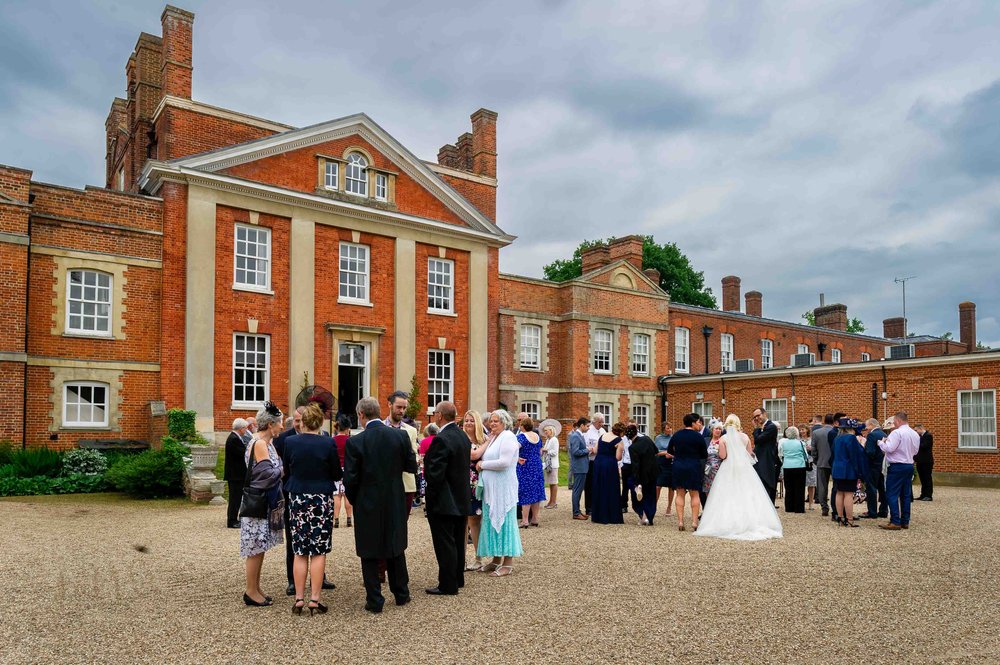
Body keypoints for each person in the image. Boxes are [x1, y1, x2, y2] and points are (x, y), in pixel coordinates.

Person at [343, 397, 418, 613]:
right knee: (395, 545)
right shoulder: (401, 435)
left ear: (360, 415)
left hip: (367, 500)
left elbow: (350, 479)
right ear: (378, 412)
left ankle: (375, 600)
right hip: (394, 497)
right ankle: (401, 593)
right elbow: (411, 466)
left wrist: (356, 499)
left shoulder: (355, 442)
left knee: (369, 550)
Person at [283, 402, 342, 616]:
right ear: (320, 422)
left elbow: (287, 470)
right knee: (318, 551)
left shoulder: (290, 442)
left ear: (304, 422)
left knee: (299, 550)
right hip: (320, 498)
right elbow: (336, 473)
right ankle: (315, 599)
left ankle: (299, 598)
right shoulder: (328, 443)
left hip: (298, 497)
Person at [694, 414, 783, 541]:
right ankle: (751, 521)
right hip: (744, 468)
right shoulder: (745, 437)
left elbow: (723, 456)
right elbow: (750, 453)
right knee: (747, 493)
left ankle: (726, 521)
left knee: (727, 494)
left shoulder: (724, 438)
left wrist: (721, 449)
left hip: (728, 467)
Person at [421, 401, 471, 596]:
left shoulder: (441, 439)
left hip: (444, 499)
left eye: (435, 413)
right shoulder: (462, 436)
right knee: (458, 539)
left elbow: (434, 474)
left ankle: (447, 584)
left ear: (440, 415)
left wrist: (430, 498)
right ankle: (458, 578)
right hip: (461, 496)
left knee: (445, 542)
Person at [239, 403, 284, 606]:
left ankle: (256, 587)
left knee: (260, 546)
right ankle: (250, 591)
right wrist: (283, 469)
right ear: (270, 424)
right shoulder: (259, 444)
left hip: (263, 502)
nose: (282, 427)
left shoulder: (267, 443)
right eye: (279, 423)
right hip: (258, 502)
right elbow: (267, 475)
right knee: (256, 547)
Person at [476, 410, 523, 577]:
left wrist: (483, 464)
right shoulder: (493, 438)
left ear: (504, 422)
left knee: (505, 521)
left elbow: (504, 463)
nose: (492, 423)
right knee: (491, 520)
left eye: (496, 421)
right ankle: (496, 559)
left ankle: (508, 563)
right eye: (491, 421)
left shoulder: (508, 437)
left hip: (503, 488)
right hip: (491, 489)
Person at [878, 412, 921, 531]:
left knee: (891, 493)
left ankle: (895, 521)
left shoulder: (896, 433)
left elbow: (889, 448)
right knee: (905, 494)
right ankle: (905, 521)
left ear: (897, 421)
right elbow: (916, 451)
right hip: (909, 465)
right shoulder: (914, 433)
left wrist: (881, 443)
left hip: (897, 466)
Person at [669, 413, 708, 531]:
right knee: (694, 494)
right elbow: (704, 454)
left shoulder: (676, 435)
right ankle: (694, 522)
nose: (700, 424)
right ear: (692, 423)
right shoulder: (698, 437)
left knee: (680, 493)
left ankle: (680, 521)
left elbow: (670, 450)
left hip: (678, 465)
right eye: (698, 422)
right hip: (693, 466)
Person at [383, 391, 420, 513]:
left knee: (403, 524)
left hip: (406, 484)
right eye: (399, 407)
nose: (402, 411)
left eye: (404, 408)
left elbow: (414, 456)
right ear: (389, 405)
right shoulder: (380, 428)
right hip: (385, 485)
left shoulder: (411, 430)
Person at [463, 410, 489, 570]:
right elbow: (473, 455)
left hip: (480, 483)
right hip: (464, 482)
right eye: (466, 420)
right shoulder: (462, 438)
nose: (468, 423)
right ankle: (462, 559)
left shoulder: (484, 438)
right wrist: (487, 442)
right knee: (463, 522)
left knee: (476, 521)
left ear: (477, 422)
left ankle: (478, 558)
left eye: (472, 420)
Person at [831, 418, 868, 527]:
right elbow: (856, 454)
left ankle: (840, 518)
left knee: (839, 493)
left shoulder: (837, 439)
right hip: (848, 470)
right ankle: (849, 519)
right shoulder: (851, 438)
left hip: (837, 468)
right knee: (848, 494)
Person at [590, 422, 625, 524]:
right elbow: (618, 457)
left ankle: (597, 515)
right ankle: (610, 515)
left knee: (599, 487)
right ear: (621, 432)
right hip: (609, 464)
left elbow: (595, 450)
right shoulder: (619, 440)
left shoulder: (602, 435)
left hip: (598, 462)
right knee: (610, 488)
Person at [515, 418, 546, 528]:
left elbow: (513, 449)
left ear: (523, 426)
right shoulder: (537, 437)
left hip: (525, 466)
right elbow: (540, 451)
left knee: (525, 492)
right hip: (536, 465)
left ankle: (525, 520)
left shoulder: (521, 437)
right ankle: (535, 518)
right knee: (536, 492)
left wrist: (518, 458)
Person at [626, 424, 658, 526]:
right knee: (651, 495)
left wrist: (636, 480)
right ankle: (650, 517)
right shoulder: (647, 439)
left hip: (642, 473)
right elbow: (656, 451)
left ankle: (643, 515)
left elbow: (635, 465)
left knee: (635, 490)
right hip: (653, 471)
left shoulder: (632, 447)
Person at [224, 418, 250, 529]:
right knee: (235, 499)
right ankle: (232, 521)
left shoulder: (235, 438)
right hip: (235, 475)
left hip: (237, 474)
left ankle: (234, 519)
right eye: (245, 428)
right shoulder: (234, 439)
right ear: (241, 428)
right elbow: (243, 453)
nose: (246, 430)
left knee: (236, 498)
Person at [751, 407, 780, 504]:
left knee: (767, 485)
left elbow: (758, 440)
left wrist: (756, 428)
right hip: (759, 461)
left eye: (758, 415)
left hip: (767, 461)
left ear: (764, 414)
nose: (756, 418)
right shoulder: (762, 427)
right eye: (754, 417)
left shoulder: (771, 426)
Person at [861, 418, 888, 519]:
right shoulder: (884, 434)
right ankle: (883, 510)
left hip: (873, 466)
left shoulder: (872, 435)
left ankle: (872, 512)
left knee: (871, 488)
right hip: (882, 465)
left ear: (871, 425)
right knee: (882, 489)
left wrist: (864, 446)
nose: (866, 428)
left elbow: (870, 452)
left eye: (866, 426)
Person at [779, 426, 808, 514]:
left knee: (789, 487)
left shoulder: (783, 443)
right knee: (799, 488)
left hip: (787, 466)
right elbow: (805, 455)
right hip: (799, 466)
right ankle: (799, 508)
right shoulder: (800, 443)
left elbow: (781, 454)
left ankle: (789, 507)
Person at [332, 415, 353, 529]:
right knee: (347, 495)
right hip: (348, 469)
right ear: (347, 428)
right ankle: (349, 518)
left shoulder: (332, 440)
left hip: (336, 469)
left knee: (337, 496)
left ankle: (336, 519)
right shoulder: (350, 440)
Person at [567, 417, 591, 520]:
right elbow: (575, 452)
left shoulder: (579, 435)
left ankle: (578, 511)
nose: (588, 428)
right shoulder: (575, 436)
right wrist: (587, 450)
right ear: (581, 425)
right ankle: (576, 513)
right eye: (587, 426)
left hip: (582, 466)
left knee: (579, 490)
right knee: (577, 490)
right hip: (579, 467)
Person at [812, 413, 835, 517]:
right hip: (835, 462)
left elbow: (814, 449)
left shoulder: (816, 432)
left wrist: (816, 460)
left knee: (822, 486)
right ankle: (835, 507)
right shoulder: (837, 431)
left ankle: (824, 508)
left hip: (821, 462)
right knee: (836, 486)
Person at [583, 413, 605, 516]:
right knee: (589, 485)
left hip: (600, 461)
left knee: (599, 484)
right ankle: (589, 508)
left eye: (602, 422)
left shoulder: (603, 431)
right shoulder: (588, 431)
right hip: (590, 461)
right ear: (595, 421)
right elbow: (584, 445)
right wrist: (591, 450)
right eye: (600, 422)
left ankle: (598, 506)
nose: (602, 424)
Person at [654, 422, 674, 518]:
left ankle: (669, 507)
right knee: (658, 486)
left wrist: (670, 454)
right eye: (668, 428)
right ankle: (654, 505)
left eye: (670, 428)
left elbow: (676, 450)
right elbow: (656, 452)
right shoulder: (658, 438)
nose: (670, 429)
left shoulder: (673, 438)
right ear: (663, 429)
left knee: (671, 487)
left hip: (671, 463)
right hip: (661, 463)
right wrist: (665, 453)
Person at [702, 421, 724, 501]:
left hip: (719, 470)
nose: (718, 430)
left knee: (718, 490)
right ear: (712, 430)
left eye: (720, 429)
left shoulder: (723, 441)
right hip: (707, 471)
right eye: (716, 429)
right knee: (707, 490)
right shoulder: (706, 440)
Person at [798, 424, 817, 510]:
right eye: (800, 430)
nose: (802, 431)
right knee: (801, 483)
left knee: (811, 483)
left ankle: (811, 503)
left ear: (807, 430)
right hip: (800, 462)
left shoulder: (812, 440)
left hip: (810, 462)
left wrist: (811, 448)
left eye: (803, 429)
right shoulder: (797, 440)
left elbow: (816, 449)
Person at [914, 424, 934, 501]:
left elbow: (924, 446)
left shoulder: (928, 436)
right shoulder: (920, 437)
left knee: (927, 478)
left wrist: (916, 442)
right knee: (922, 478)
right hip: (920, 461)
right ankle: (923, 494)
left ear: (920, 428)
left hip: (927, 461)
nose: (915, 432)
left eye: (916, 430)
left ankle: (928, 495)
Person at [542, 425, 560, 509]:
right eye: (545, 431)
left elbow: (555, 452)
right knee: (550, 483)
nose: (545, 432)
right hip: (548, 464)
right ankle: (550, 501)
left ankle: (554, 502)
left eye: (547, 431)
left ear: (551, 431)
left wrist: (546, 450)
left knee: (554, 483)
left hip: (553, 464)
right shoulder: (548, 440)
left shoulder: (554, 440)